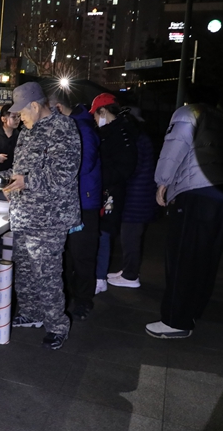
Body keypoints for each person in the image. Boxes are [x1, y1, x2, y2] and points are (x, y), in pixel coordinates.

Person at [146, 85, 223, 339]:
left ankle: (175, 320)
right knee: (206, 260)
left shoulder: (189, 113)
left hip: (194, 192)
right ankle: (192, 312)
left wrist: (162, 182)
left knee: (181, 259)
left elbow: (174, 148)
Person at [0, 82, 81, 350]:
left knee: (46, 274)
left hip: (50, 217)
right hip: (24, 214)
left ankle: (57, 325)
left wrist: (26, 181)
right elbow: (21, 167)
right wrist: (5, 179)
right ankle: (32, 313)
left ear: (35, 105)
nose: (18, 118)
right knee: (25, 270)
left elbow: (64, 174)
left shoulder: (64, 128)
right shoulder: (27, 131)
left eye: (21, 113)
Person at [50, 88, 101, 321]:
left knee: (82, 254)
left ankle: (83, 301)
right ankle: (70, 296)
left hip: (84, 201)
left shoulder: (83, 128)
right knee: (67, 253)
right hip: (69, 200)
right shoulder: (72, 125)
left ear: (59, 108)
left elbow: (86, 163)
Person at [89, 93, 138, 294]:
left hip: (110, 191)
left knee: (104, 232)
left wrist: (99, 177)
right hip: (106, 189)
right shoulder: (116, 130)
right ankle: (98, 275)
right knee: (102, 232)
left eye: (95, 114)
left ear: (103, 111)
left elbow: (123, 168)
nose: (94, 119)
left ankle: (100, 277)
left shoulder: (120, 133)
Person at [107, 107, 159, 289]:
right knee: (131, 236)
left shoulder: (136, 140)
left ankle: (130, 275)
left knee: (130, 237)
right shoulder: (143, 138)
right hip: (141, 194)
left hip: (136, 196)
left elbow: (131, 168)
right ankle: (128, 270)